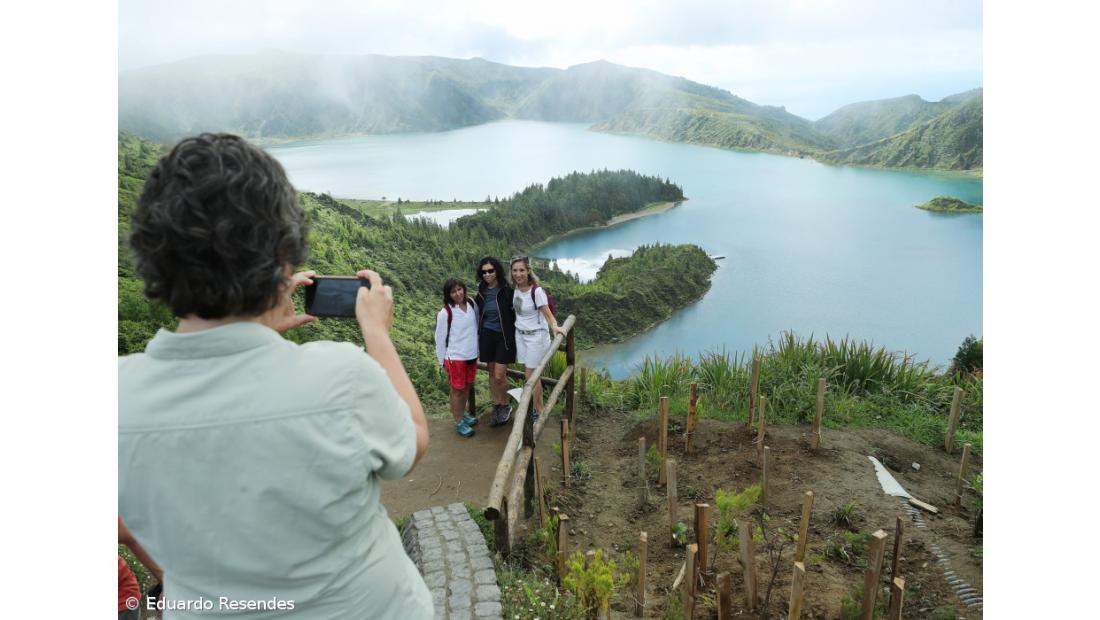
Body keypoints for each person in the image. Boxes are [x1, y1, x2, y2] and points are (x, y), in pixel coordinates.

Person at [118, 133, 432, 619]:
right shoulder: (340, 377)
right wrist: (377, 333)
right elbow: (411, 444)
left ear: (153, 257)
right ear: (281, 256)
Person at [509, 256, 564, 420]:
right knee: (533, 375)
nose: (518, 274)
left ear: (528, 271)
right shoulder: (516, 289)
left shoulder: (536, 291)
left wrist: (555, 327)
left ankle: (538, 410)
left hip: (536, 338)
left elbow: (548, 314)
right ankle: (537, 408)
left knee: (530, 375)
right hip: (521, 336)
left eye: (521, 270)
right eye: (515, 270)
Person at [474, 256, 518, 427]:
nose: (487, 274)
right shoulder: (481, 290)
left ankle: (506, 405)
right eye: (484, 272)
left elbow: (517, 311)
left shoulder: (507, 290)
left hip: (503, 338)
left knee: (500, 374)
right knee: (491, 373)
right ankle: (497, 405)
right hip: (486, 335)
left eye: (490, 271)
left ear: (497, 271)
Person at [434, 278, 480, 437]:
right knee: (457, 390)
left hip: (471, 355)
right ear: (448, 295)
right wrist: (442, 361)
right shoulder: (446, 312)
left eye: (459, 289)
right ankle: (458, 420)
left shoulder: (472, 304)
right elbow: (439, 339)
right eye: (453, 291)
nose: (457, 293)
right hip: (456, 357)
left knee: (467, 386)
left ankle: (463, 413)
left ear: (464, 289)